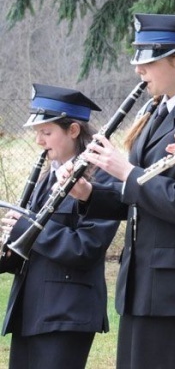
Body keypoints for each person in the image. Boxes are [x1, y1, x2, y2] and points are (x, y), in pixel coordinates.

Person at [65, 13, 175, 369]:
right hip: (144, 279)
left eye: (149, 63)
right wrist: (89, 194)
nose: (139, 72)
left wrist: (124, 171)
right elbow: (138, 198)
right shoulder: (156, 109)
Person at [0, 84, 120, 369]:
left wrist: (27, 229)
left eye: (47, 132)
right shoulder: (46, 178)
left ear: (74, 130)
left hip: (66, 313)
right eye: (38, 133)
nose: (39, 141)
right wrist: (7, 251)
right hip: (31, 311)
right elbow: (30, 245)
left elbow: (86, 248)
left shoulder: (101, 179)